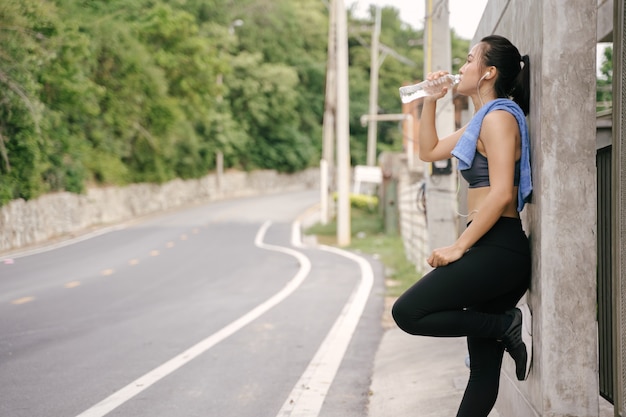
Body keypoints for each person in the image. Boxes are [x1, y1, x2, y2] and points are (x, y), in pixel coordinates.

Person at [391, 35, 533, 417]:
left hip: (499, 248)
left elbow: (502, 192)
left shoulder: (500, 118)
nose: (463, 66)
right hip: (488, 248)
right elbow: (429, 151)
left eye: (470, 60)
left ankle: (504, 324)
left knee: (408, 312)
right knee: (483, 372)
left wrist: (458, 246)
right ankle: (500, 326)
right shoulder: (481, 122)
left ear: (488, 72)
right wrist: (430, 100)